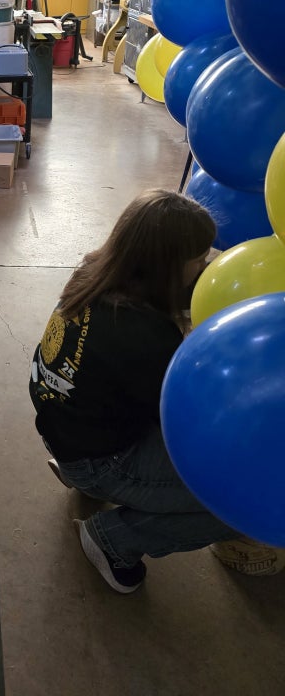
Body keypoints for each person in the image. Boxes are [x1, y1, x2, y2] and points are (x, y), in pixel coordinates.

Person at [29, 189, 239, 593]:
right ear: (168, 267)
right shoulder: (144, 335)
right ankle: (114, 540)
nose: (206, 268)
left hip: (63, 431)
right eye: (199, 261)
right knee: (232, 501)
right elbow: (186, 421)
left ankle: (88, 482)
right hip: (99, 458)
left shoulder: (94, 273)